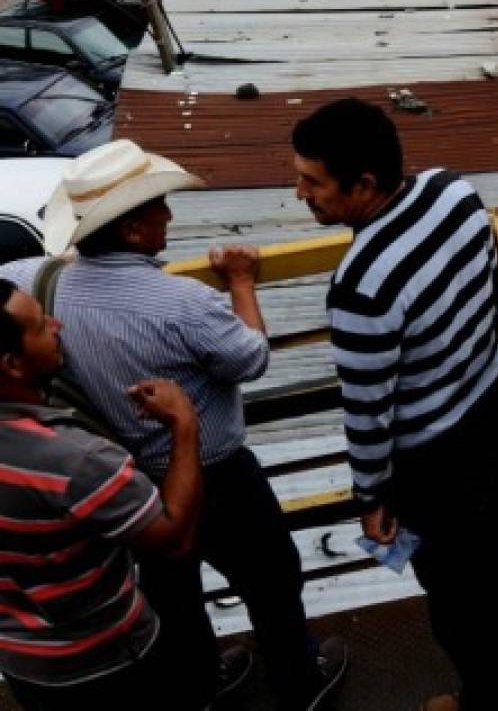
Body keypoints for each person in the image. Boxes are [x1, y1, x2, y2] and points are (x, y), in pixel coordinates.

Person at [0, 140, 346, 711]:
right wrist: (240, 282)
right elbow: (251, 358)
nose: (169, 215)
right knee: (272, 582)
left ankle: (203, 683)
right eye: (159, 206)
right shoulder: (181, 302)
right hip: (217, 475)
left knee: (174, 597)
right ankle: (298, 683)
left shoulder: (32, 280)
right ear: (134, 231)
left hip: (133, 484)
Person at [292, 99, 498, 711]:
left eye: (312, 180)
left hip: (438, 466)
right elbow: (492, 286)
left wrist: (370, 498)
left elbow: (368, 413)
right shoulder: (452, 190)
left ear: (364, 184)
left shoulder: (361, 286)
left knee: (462, 606)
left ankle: (493, 700)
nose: (300, 191)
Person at [0, 280, 204, 711]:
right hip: (107, 658)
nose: (56, 325)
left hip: (24, 662)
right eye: (40, 326)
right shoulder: (72, 458)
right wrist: (184, 424)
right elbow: (173, 539)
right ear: (12, 364)